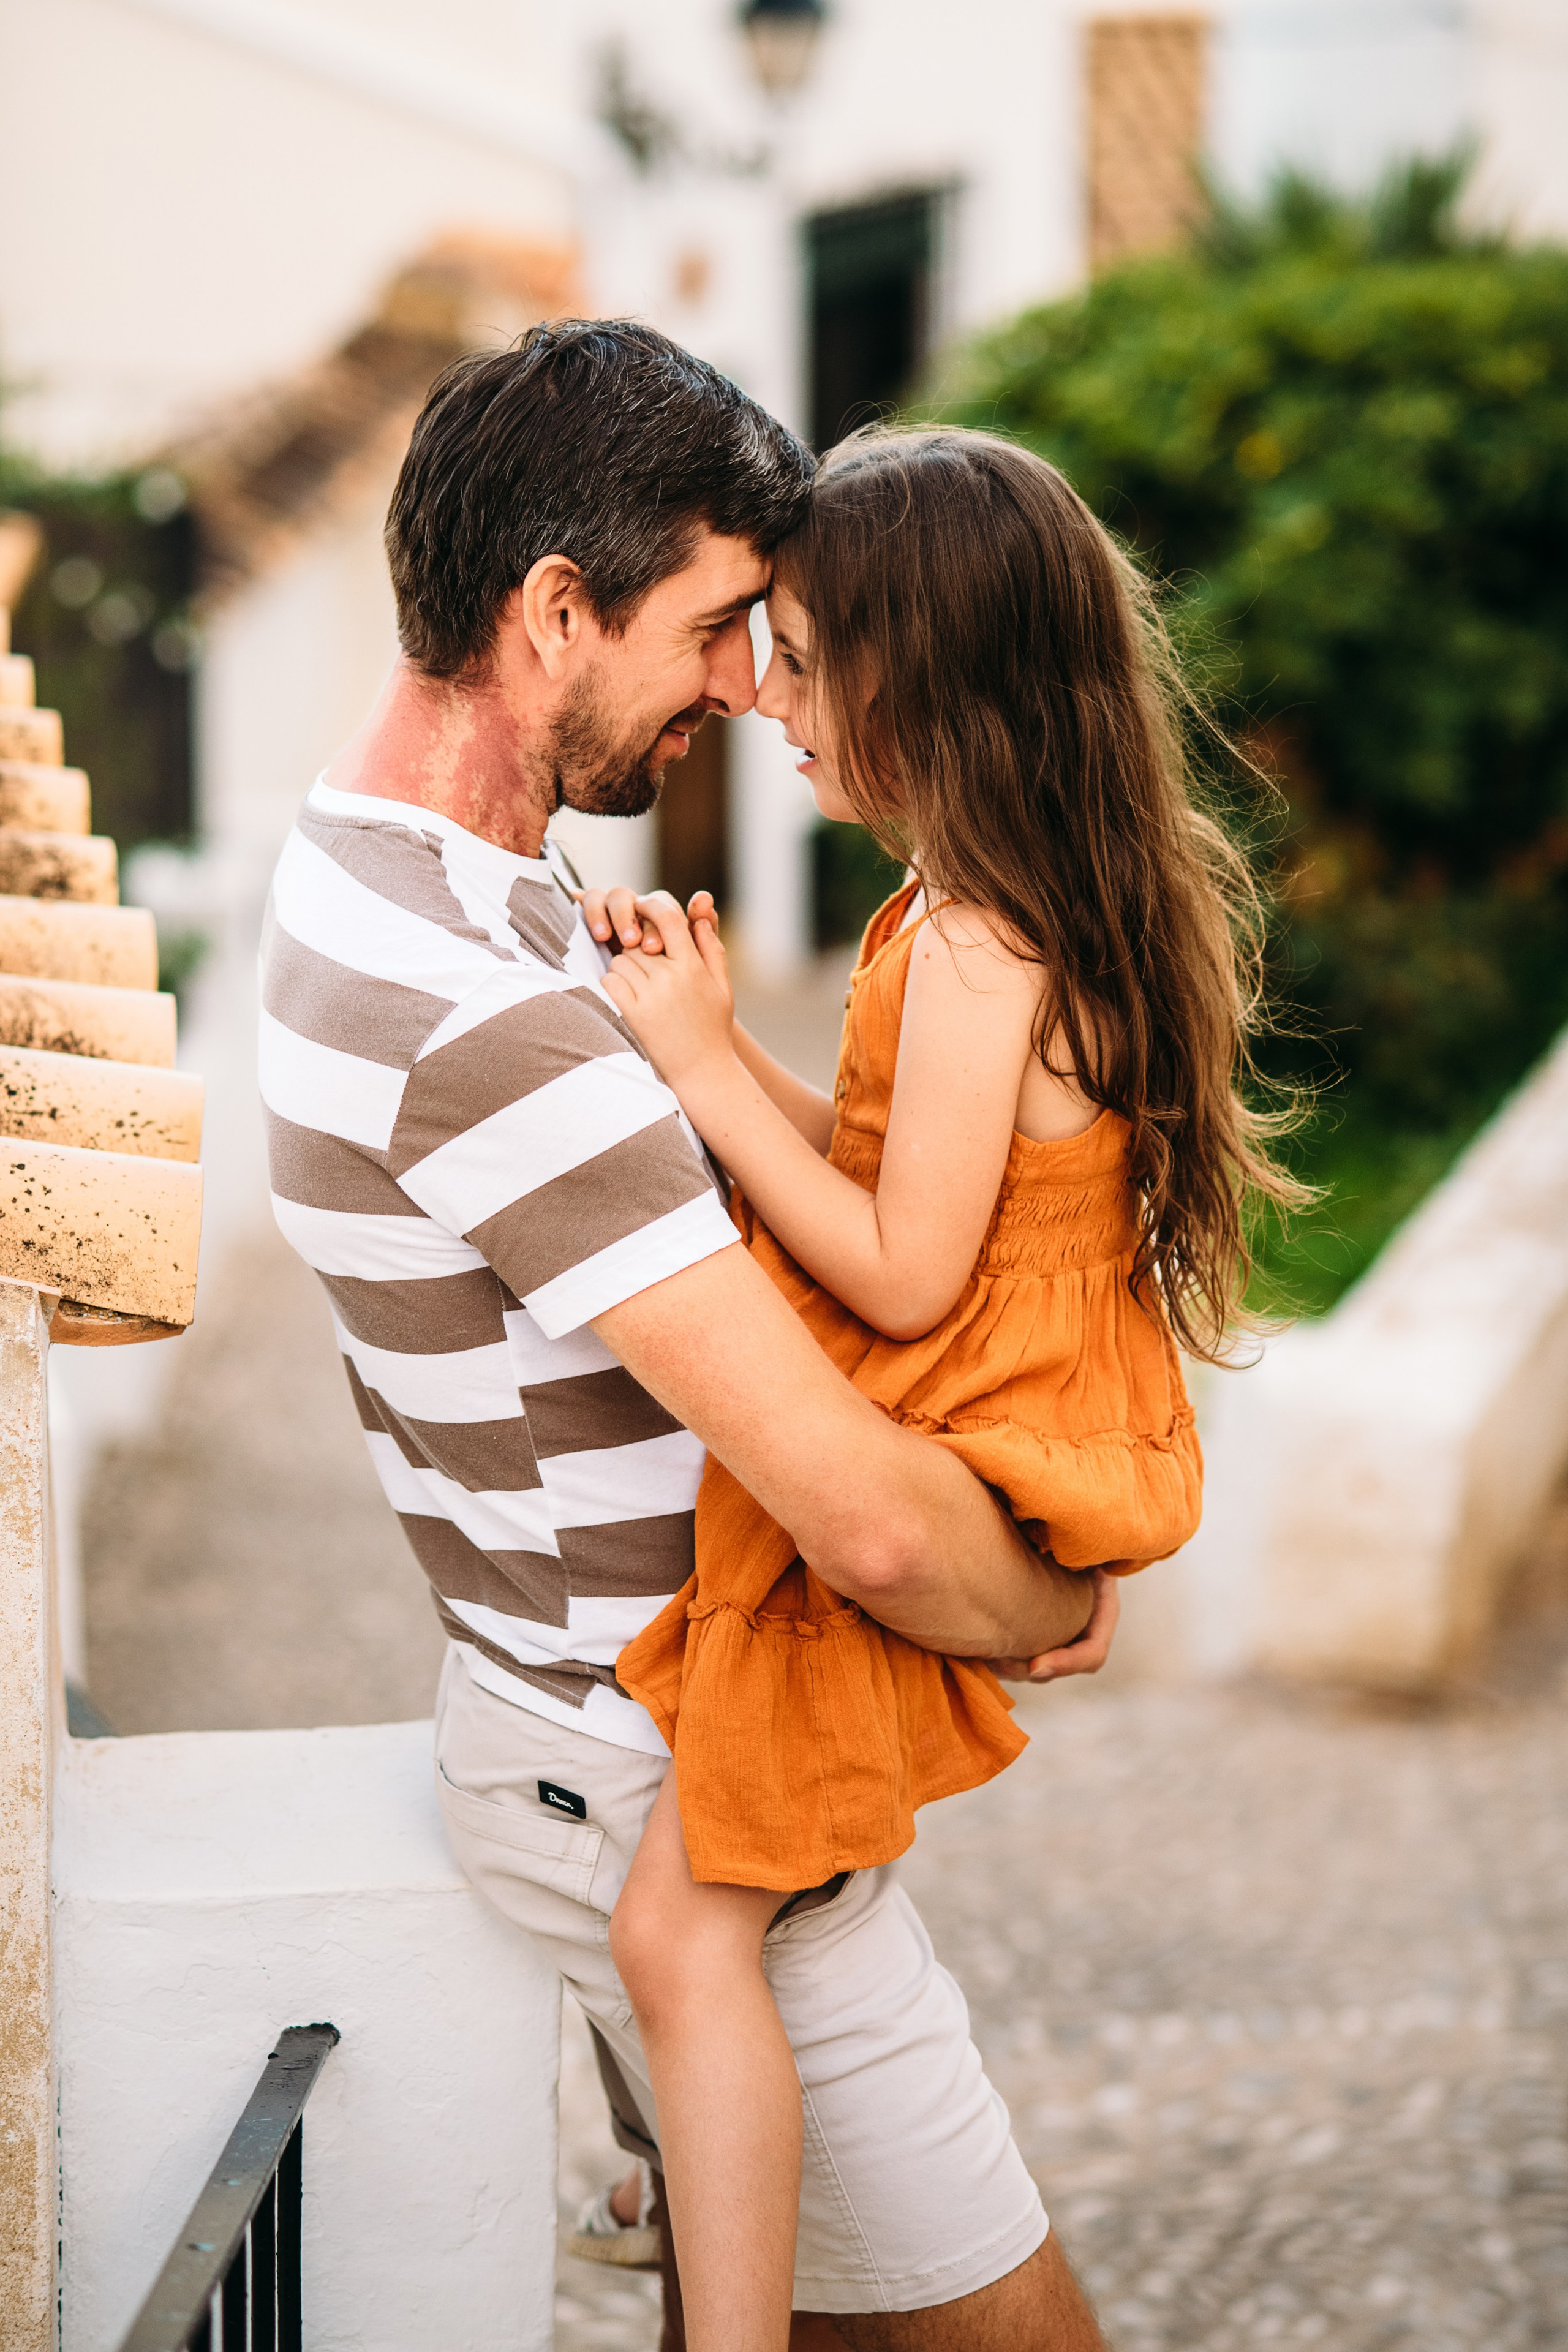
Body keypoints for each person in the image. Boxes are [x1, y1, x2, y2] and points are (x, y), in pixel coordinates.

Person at [261, 321, 1117, 2348]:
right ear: (557, 612)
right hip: (668, 1783)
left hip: (599, 1745)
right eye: (720, 626)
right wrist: (1043, 1596)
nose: (749, 687)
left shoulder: (397, 881)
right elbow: (870, 1522)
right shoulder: (478, 1011)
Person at [583, 428, 1298, 2351]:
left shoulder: (978, 943)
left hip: (952, 1436)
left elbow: (903, 1269)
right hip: (978, 1419)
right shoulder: (961, 909)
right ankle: (716, 2209)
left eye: (809, 662)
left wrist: (702, 1066)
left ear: (938, 683)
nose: (767, 700)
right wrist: (705, 1051)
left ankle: (715, 2284)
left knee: (674, 1927)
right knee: (708, 1922)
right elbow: (891, 1178)